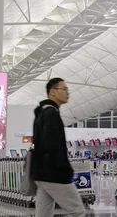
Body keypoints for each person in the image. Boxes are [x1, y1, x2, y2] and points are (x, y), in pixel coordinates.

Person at [31, 78, 86, 217]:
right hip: (54, 174)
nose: (68, 93)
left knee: (43, 214)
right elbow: (52, 145)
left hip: (41, 174)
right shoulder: (51, 114)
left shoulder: (42, 113)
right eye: (64, 89)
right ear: (53, 92)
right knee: (78, 212)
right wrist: (65, 170)